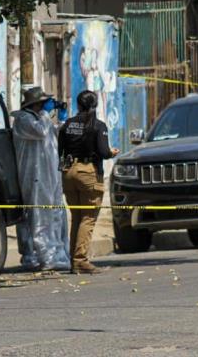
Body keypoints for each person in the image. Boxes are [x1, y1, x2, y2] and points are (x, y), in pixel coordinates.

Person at [58, 90, 119, 274]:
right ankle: (81, 260)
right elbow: (103, 151)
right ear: (95, 105)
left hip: (69, 172)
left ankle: (74, 262)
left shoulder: (67, 124)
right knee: (88, 218)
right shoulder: (98, 126)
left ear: (78, 105)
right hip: (88, 172)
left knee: (77, 217)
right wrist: (111, 153)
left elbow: (59, 148)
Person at [11, 87, 70, 271]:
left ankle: (56, 253)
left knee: (55, 214)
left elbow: (52, 133)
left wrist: (62, 120)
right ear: (36, 104)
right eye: (43, 103)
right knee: (40, 216)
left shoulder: (40, 119)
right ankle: (45, 256)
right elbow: (41, 132)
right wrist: (46, 112)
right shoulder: (23, 120)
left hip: (51, 174)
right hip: (35, 175)